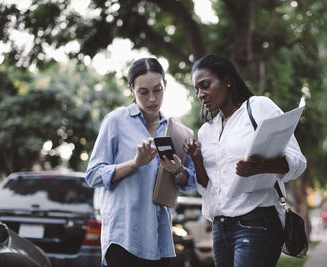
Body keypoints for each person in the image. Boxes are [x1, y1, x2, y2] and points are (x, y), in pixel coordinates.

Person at [184, 54, 307, 267]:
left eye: (205, 85)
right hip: (220, 228)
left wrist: (259, 168)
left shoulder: (258, 107)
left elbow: (297, 162)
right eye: (197, 90)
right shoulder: (206, 131)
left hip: (256, 222)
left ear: (227, 80)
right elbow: (208, 188)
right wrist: (195, 158)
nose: (201, 95)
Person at [86, 57, 196, 267]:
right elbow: (93, 175)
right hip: (124, 237)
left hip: (159, 237)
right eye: (143, 92)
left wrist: (178, 170)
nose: (152, 99)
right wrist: (134, 163)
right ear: (131, 90)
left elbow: (189, 183)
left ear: (166, 85)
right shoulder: (115, 121)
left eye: (158, 90)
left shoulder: (176, 129)